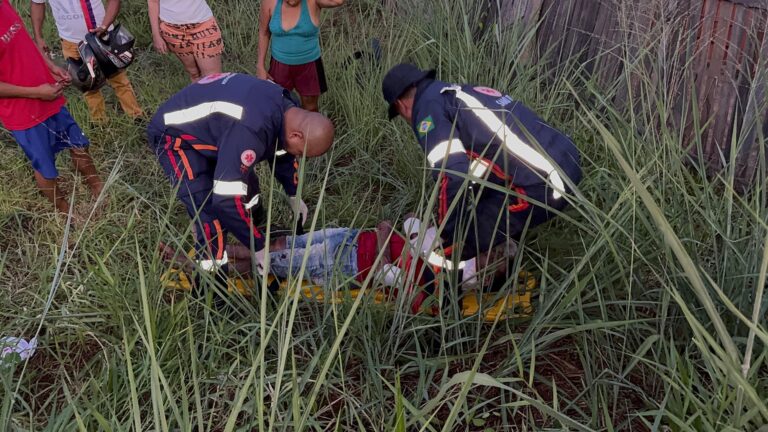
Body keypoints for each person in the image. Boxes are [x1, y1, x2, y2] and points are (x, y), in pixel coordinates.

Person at [382, 63, 582, 267]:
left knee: (455, 248)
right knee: (478, 211)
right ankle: (499, 247)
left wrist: (449, 232)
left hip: (546, 186)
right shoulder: (459, 93)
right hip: (568, 160)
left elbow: (452, 174)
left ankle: (456, 279)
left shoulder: (427, 110)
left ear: (401, 105)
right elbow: (484, 162)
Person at [147, 72, 334, 287]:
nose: (299, 156)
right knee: (210, 217)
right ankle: (211, 293)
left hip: (215, 131)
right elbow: (225, 200)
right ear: (296, 135)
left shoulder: (287, 107)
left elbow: (281, 153)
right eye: (302, 152)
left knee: (247, 185)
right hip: (176, 138)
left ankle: (250, 223)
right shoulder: (250, 130)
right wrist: (257, 245)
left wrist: (293, 193)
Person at [1, 0, 103, 218]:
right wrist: (36, 93)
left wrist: (49, 66)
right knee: (44, 165)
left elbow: (24, 42)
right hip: (23, 112)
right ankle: (66, 212)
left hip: (48, 94)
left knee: (79, 144)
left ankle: (98, 188)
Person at [31, 0, 144, 123]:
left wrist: (104, 26)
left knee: (119, 79)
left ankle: (136, 116)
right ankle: (100, 123)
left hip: (101, 34)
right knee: (87, 84)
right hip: (71, 41)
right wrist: (38, 36)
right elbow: (37, 4)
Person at [257, 0, 344, 112]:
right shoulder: (270, 2)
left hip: (309, 64)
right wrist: (260, 65)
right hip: (279, 64)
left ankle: (309, 128)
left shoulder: (313, 2)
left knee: (311, 107)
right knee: (278, 104)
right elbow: (263, 33)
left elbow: (338, 1)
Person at [148, 0, 223, 82]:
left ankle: (215, 94)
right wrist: (156, 36)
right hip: (173, 31)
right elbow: (153, 2)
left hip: (203, 26)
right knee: (194, 73)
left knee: (212, 77)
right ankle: (198, 94)